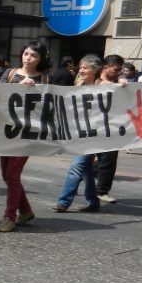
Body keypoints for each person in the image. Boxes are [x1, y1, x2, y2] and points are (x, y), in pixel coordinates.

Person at [0, 40, 50, 232]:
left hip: (26, 134)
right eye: (26, 54)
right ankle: (25, 210)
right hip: (6, 132)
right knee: (7, 175)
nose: (29, 58)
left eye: (34, 55)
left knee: (12, 175)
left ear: (40, 59)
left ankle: (9, 217)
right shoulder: (10, 74)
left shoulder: (44, 79)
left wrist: (34, 89)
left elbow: (48, 106)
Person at [52, 55, 104, 216]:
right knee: (86, 170)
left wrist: (123, 83)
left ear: (94, 70)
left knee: (76, 167)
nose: (81, 70)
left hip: (94, 134)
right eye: (80, 67)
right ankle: (93, 201)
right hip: (79, 132)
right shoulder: (78, 84)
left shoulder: (104, 87)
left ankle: (63, 202)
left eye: (85, 68)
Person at [93, 54, 126, 203]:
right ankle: (70, 191)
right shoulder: (94, 80)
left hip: (111, 128)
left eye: (120, 70)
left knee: (108, 160)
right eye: (116, 69)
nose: (119, 72)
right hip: (93, 126)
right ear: (105, 68)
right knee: (83, 163)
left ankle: (102, 191)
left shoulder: (118, 83)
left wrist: (122, 83)